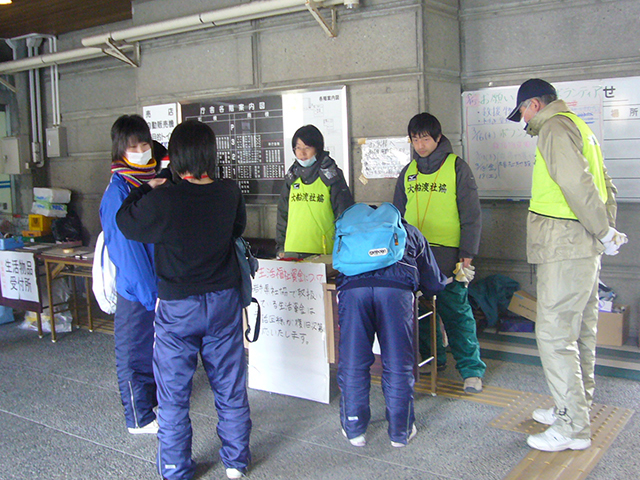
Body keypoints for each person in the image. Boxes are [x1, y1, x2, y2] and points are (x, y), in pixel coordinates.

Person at [116, 120, 251, 480]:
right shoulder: (229, 191)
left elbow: (125, 222)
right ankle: (236, 462)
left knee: (173, 393)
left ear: (174, 158)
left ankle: (176, 467)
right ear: (210, 154)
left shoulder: (164, 198)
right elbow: (236, 229)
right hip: (223, 301)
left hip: (178, 307)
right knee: (230, 384)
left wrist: (148, 186)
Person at [506, 78, 627, 452]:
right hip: (581, 246)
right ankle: (575, 407)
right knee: (580, 331)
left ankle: (572, 426)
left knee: (555, 334)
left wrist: (603, 230)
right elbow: (605, 184)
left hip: (564, 246)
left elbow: (577, 183)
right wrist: (604, 231)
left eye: (522, 112)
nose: (523, 121)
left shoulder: (554, 129)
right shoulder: (578, 126)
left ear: (534, 105)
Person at [335, 203, 446, 448]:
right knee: (397, 362)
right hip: (395, 294)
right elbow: (433, 282)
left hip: (353, 293)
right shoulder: (409, 231)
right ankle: (400, 431)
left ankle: (354, 429)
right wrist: (432, 287)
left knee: (353, 360)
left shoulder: (350, 229)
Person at [393, 112, 486, 394]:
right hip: (413, 255)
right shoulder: (408, 172)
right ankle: (434, 359)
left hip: (449, 256)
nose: (420, 145)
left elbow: (471, 215)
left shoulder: (457, 168)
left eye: (425, 138)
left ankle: (471, 370)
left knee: (456, 312)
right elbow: (396, 215)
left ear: (437, 137)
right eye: (415, 139)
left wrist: (467, 254)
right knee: (421, 311)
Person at [99, 114, 158, 435]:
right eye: (132, 147)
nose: (140, 151)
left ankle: (152, 404)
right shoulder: (118, 192)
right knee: (133, 353)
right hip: (136, 290)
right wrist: (150, 295)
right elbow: (128, 254)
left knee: (151, 350)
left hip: (155, 284)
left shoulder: (150, 181)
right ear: (120, 150)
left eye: (144, 144)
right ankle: (138, 418)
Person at [275, 124, 353, 257]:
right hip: (292, 252)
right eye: (298, 148)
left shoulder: (332, 176)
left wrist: (343, 250)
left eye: (307, 148)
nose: (302, 153)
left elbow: (345, 215)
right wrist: (281, 247)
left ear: (318, 148)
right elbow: (283, 215)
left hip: (324, 253)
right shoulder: (292, 177)